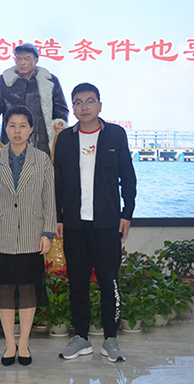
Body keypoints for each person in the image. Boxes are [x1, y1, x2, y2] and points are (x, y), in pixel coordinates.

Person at [53, 82, 137, 363]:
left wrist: (127, 213)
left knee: (109, 283)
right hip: (75, 225)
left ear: (100, 105)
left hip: (107, 224)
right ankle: (81, 337)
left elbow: (128, 176)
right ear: (73, 108)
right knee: (77, 284)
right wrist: (58, 218)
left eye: (90, 101)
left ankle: (111, 339)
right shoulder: (65, 139)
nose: (84, 107)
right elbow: (58, 182)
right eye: (78, 102)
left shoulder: (115, 134)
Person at [0, 105, 56, 367]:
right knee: (4, 289)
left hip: (32, 235)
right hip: (2, 234)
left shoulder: (41, 159)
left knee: (28, 289)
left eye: (23, 125)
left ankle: (24, 344)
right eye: (12, 125)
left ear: (31, 129)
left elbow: (49, 199)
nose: (17, 131)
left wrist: (48, 233)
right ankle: (9, 344)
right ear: (6, 129)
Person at [0, 42, 69, 156]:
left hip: (42, 143)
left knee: (42, 165)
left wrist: (59, 123)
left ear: (36, 60)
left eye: (27, 59)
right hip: (11, 142)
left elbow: (60, 108)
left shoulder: (50, 81)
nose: (22, 63)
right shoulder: (2, 81)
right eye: (18, 58)